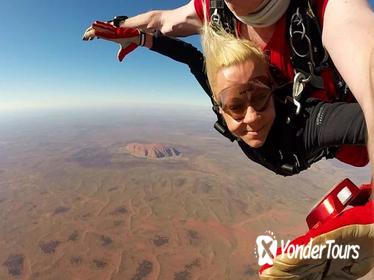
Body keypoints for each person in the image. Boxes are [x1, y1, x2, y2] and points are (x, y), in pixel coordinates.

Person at [108, 0, 374, 176]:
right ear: (219, 103)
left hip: (352, 145)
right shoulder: (213, 8)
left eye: (259, 97)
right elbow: (167, 27)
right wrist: (134, 33)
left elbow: (364, 48)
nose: (251, 117)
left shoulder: (306, 125)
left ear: (273, 89)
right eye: (235, 106)